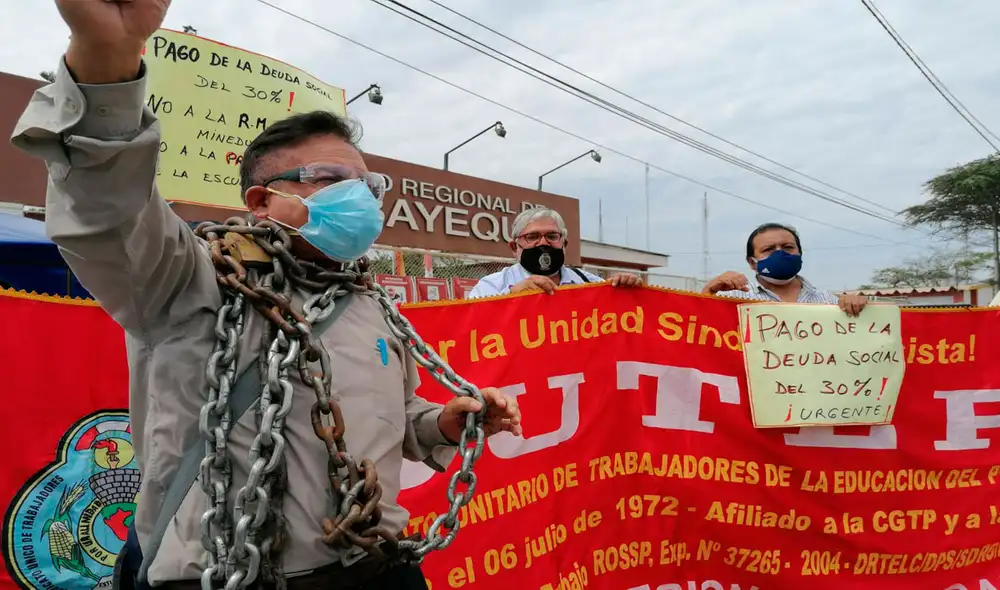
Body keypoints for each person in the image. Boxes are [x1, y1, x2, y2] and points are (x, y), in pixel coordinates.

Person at [15, 1, 521, 589]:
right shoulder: (185, 282)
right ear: (260, 202)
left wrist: (444, 424)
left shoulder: (374, 307)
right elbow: (109, 207)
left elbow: (394, 422)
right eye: (330, 180)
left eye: (367, 184)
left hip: (378, 568)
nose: (359, 196)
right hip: (230, 576)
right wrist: (107, 57)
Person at [467, 207, 644, 298]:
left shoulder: (589, 283)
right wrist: (511, 298)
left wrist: (627, 292)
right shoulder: (491, 287)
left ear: (564, 243)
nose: (543, 243)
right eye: (532, 236)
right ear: (514, 247)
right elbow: (471, 329)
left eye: (552, 236)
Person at [702, 222, 869, 316]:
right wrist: (706, 296)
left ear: (800, 254)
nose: (780, 253)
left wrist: (860, 310)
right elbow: (698, 334)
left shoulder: (829, 302)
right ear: (752, 263)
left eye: (788, 247)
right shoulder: (729, 299)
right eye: (768, 249)